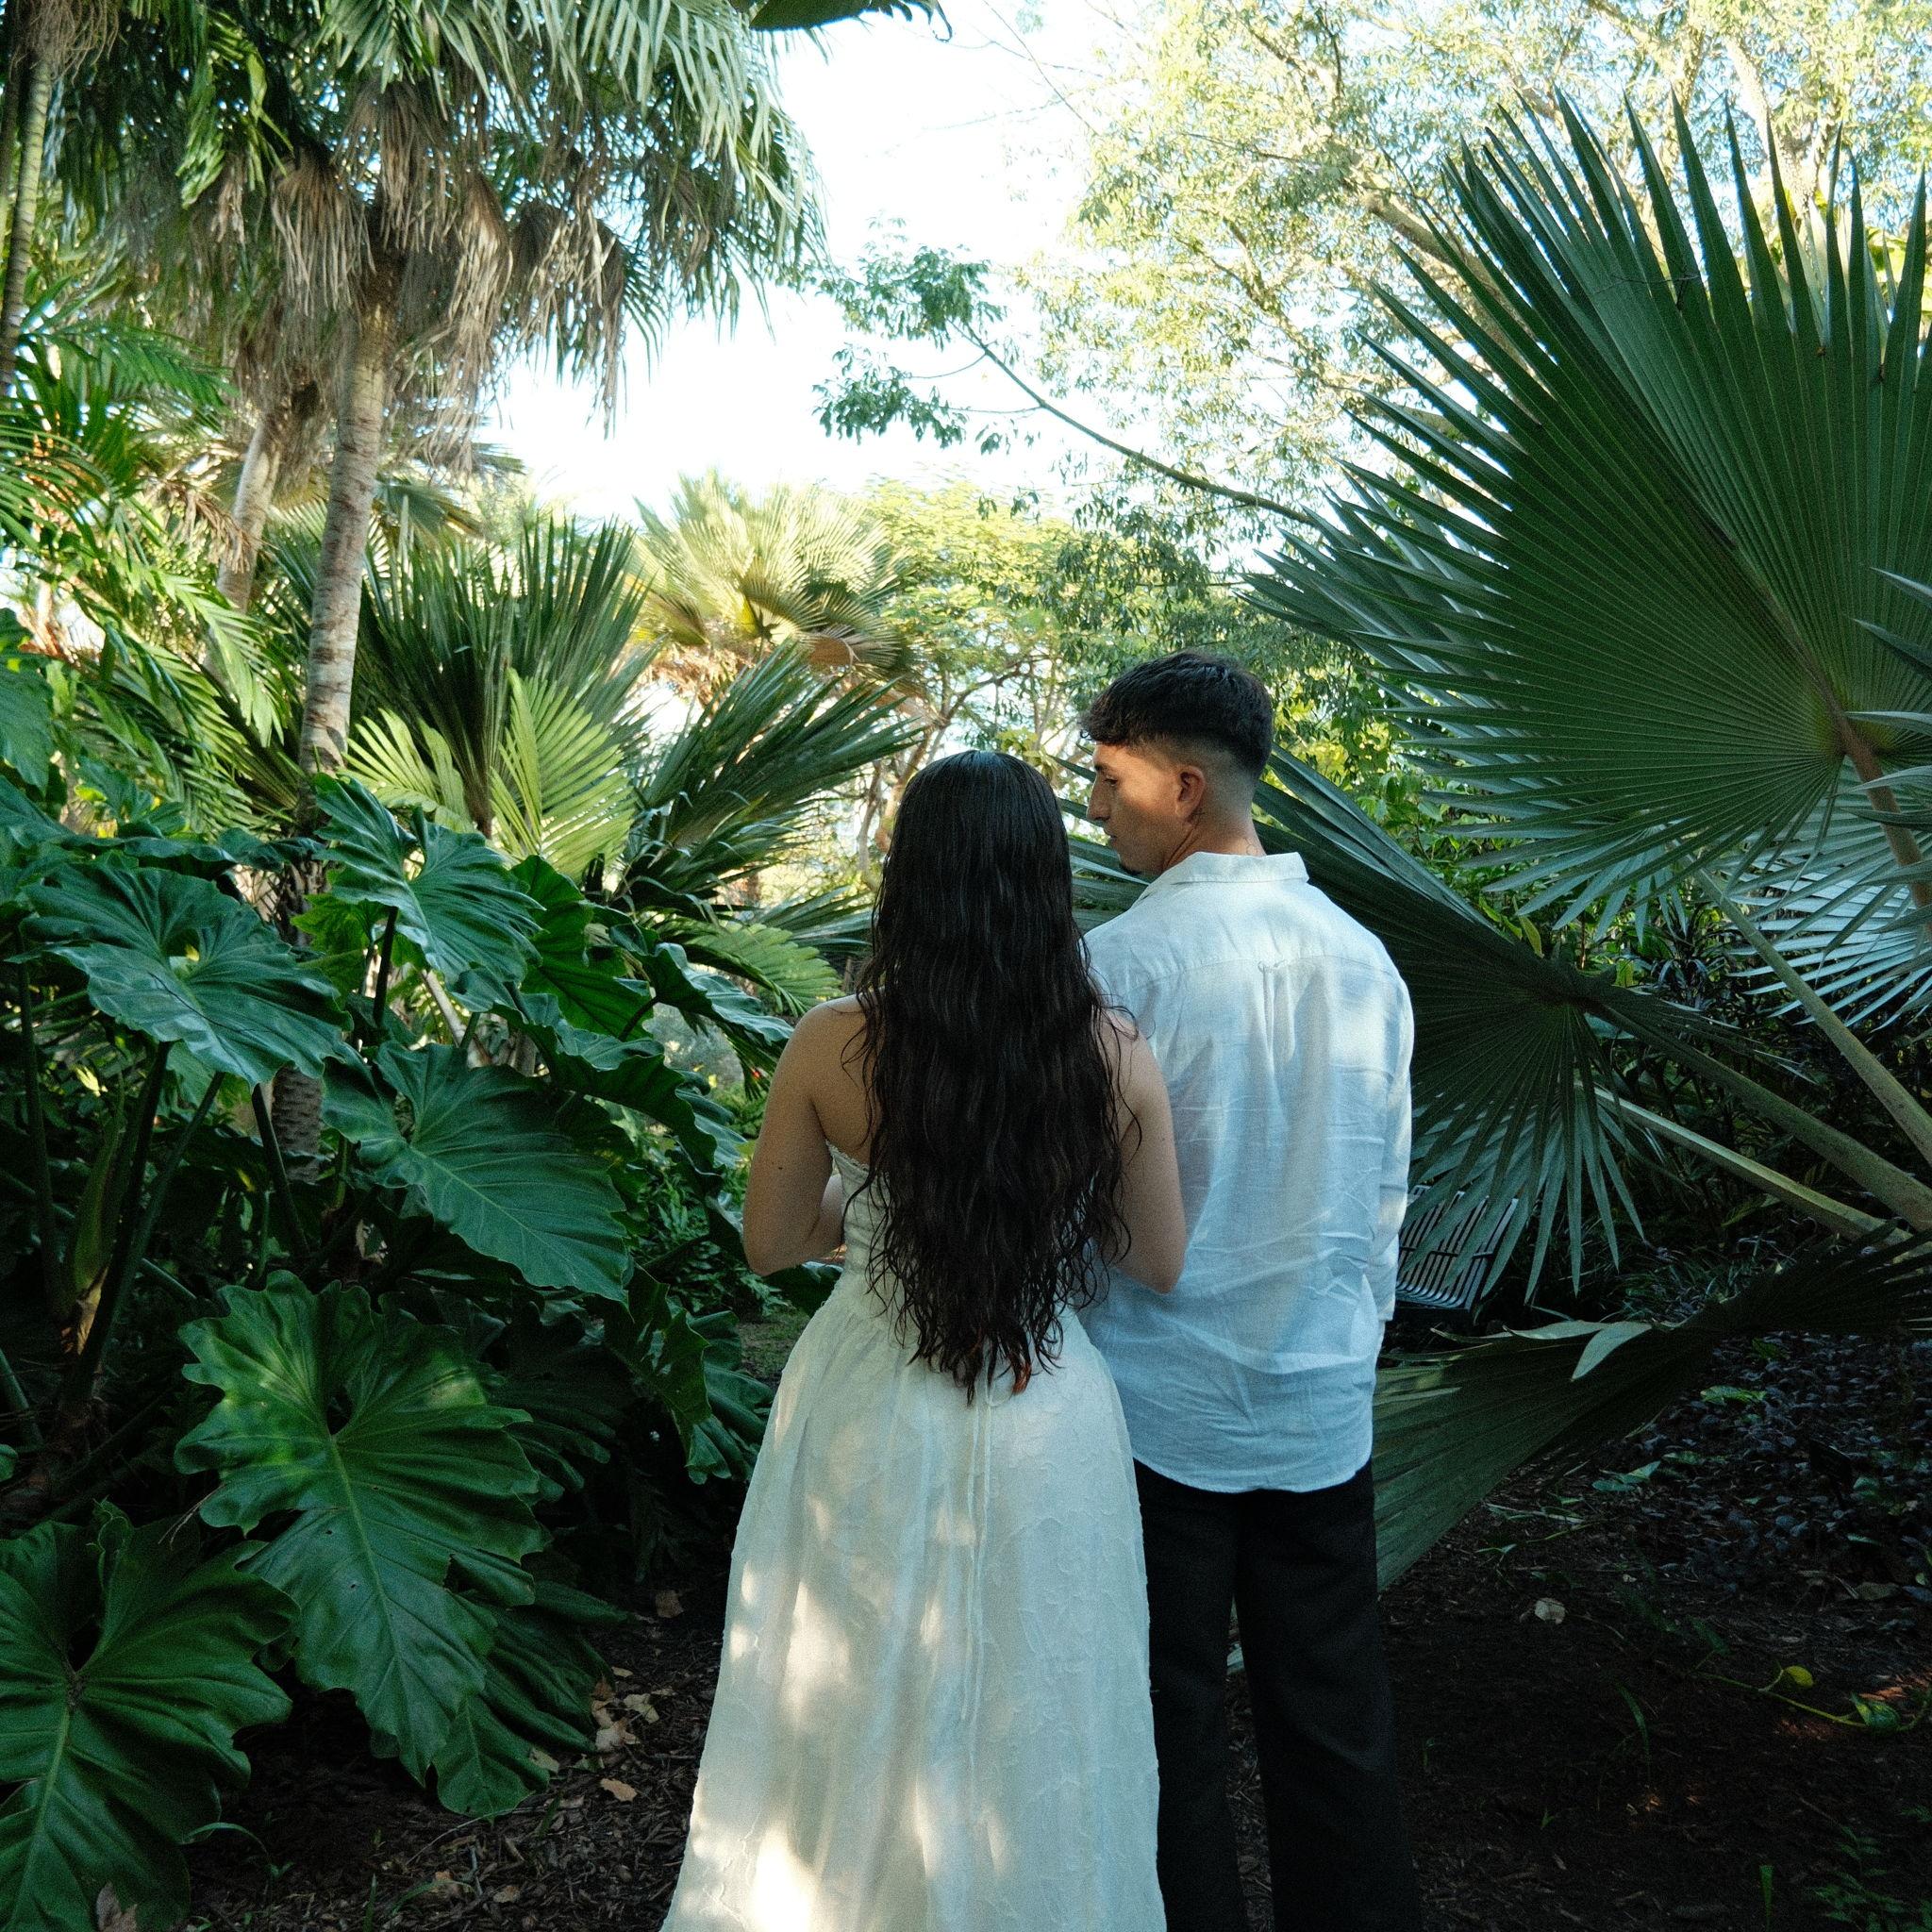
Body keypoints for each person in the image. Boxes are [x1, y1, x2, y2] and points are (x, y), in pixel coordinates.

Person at [658, 748, 1188, 1932]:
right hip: (1047, 1411)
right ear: (1045, 884)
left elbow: (769, 1241)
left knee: (843, 1681)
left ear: (909, 878)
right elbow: (1156, 1256)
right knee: (1038, 1694)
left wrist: (876, 1205)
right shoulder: (1113, 1051)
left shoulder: (831, 1042)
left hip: (868, 1395)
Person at [1079, 651, 1424, 1932]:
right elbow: (1381, 1190)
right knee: (1335, 1720)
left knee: (1163, 1722)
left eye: (1108, 780)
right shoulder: (1366, 961)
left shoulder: (1116, 965)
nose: (1094, 808)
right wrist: (1352, 1336)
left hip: (1152, 1401)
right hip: (1320, 1397)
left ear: (1183, 787)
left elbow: (1083, 1206)